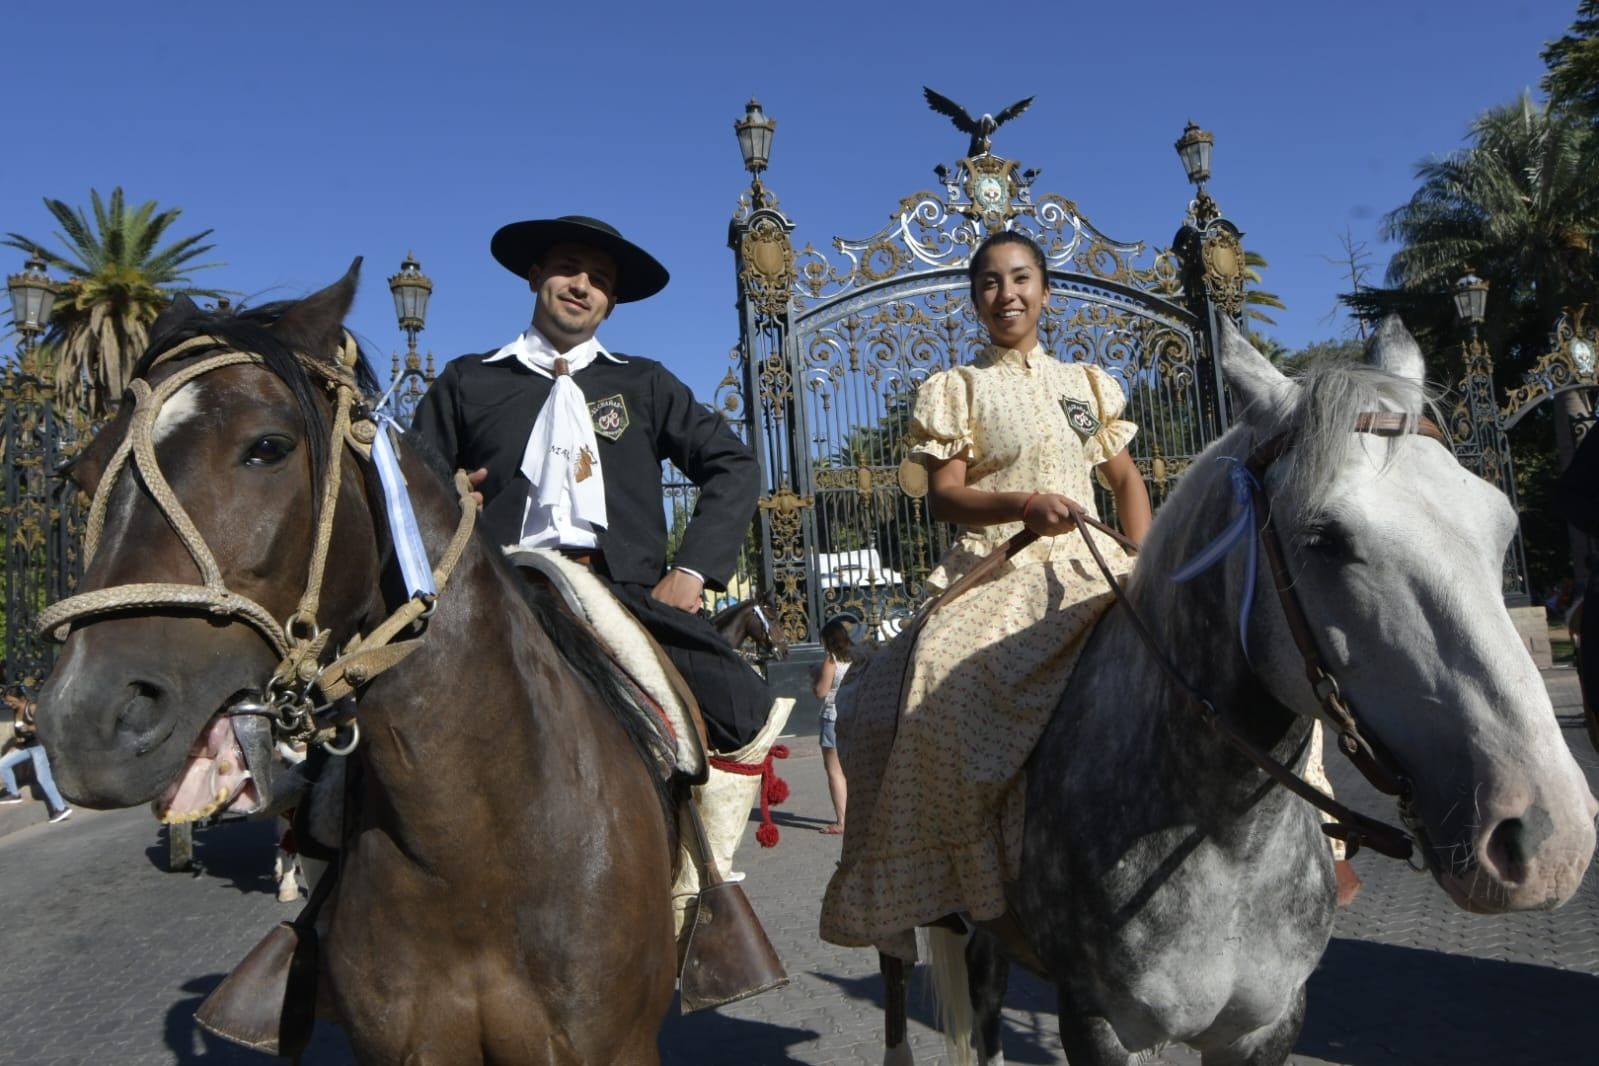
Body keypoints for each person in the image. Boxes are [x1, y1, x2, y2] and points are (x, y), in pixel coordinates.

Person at [819, 230, 1151, 957]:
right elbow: (944, 497)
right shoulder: (959, 389)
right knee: (932, 687)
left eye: (1021, 278)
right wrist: (1022, 505)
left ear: (1045, 290)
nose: (1008, 294)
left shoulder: (1088, 386)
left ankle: (1319, 836)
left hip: (1096, 562)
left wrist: (1146, 560)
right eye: (991, 284)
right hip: (1000, 566)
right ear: (976, 301)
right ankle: (937, 881)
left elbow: (1125, 481)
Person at [0, 683, 72, 823]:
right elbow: (20, 733)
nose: (9, 704)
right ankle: (14, 794)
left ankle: (61, 808)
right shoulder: (16, 711)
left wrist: (29, 727)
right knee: (3, 764)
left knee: (43, 778)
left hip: (39, 747)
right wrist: (17, 743)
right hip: (26, 747)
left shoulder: (32, 708)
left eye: (11, 701)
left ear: (21, 698)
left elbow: (44, 726)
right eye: (7, 702)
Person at [811, 618, 856, 835]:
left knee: (835, 771)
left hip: (833, 716)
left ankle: (842, 820)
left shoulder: (832, 661)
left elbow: (821, 691)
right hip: (854, 713)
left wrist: (814, 679)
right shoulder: (857, 658)